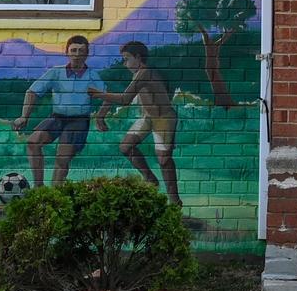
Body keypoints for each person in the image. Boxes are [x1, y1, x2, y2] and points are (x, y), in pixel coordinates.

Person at [91, 41, 183, 207]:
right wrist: (101, 114)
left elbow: (124, 99)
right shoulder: (138, 74)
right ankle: (150, 178)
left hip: (163, 118)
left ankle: (175, 201)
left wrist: (98, 94)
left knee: (163, 159)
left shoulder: (144, 73)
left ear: (138, 57)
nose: (124, 63)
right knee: (126, 146)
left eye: (127, 59)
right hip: (148, 118)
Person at [13, 35, 96, 187]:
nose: (77, 54)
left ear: (86, 54)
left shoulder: (92, 76)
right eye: (73, 50)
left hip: (78, 121)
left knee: (62, 158)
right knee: (33, 142)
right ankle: (39, 188)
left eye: (81, 51)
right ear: (67, 52)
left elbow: (107, 96)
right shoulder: (55, 73)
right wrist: (24, 116)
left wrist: (102, 116)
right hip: (57, 118)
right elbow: (32, 92)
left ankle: (55, 194)